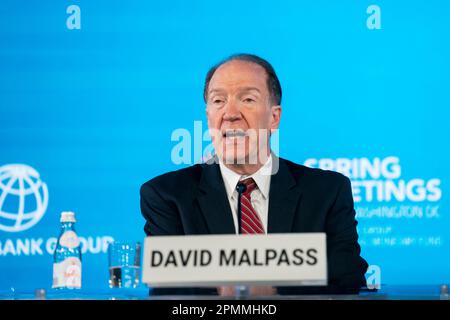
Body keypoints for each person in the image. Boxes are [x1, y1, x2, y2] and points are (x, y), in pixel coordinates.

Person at [140, 53, 368, 296]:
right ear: (208, 117)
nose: (230, 113)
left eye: (247, 99)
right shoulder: (167, 195)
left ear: (274, 117)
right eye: (218, 101)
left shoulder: (327, 192)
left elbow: (347, 276)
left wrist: (271, 290)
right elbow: (168, 288)